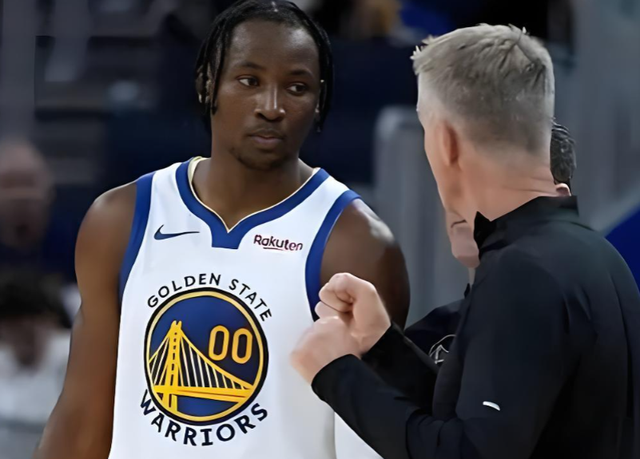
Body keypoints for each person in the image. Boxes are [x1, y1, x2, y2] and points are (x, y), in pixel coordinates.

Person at [35, 1, 409, 459]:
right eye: (249, 81)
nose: (271, 107)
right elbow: (81, 420)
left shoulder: (356, 244)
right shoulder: (121, 218)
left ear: (318, 100)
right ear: (207, 82)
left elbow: (373, 443)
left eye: (296, 87)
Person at [291, 24, 640, 459]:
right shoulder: (598, 257)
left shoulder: (522, 273)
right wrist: (384, 347)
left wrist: (335, 373)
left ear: (446, 141)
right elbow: (488, 427)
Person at [406, 121, 577, 360]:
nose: (461, 202)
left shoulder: (588, 337)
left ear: (553, 202)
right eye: (456, 183)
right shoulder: (421, 343)